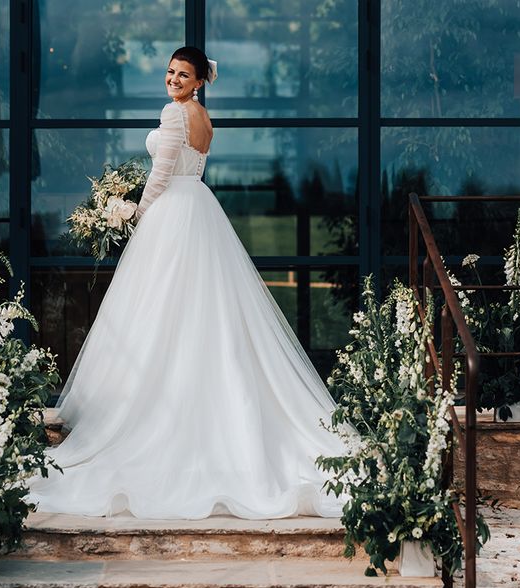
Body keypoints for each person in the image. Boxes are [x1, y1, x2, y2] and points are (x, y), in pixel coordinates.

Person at [26, 46, 346, 519]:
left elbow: (160, 174)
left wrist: (138, 211)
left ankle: (161, 418)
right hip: (199, 207)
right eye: (170, 72)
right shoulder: (204, 117)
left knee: (161, 311)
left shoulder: (174, 114)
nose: (173, 80)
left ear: (199, 81)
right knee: (201, 310)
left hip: (173, 211)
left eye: (183, 75)